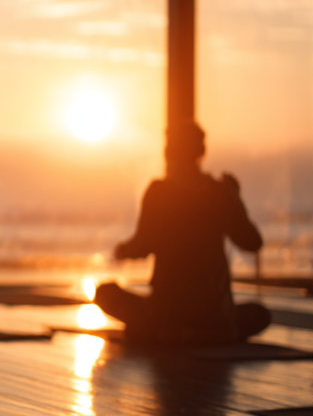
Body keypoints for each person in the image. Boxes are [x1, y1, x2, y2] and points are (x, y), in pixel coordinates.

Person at [94, 120, 271, 345]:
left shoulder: (159, 192)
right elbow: (253, 242)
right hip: (215, 317)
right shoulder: (219, 193)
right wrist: (235, 201)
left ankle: (171, 331)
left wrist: (121, 250)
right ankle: (208, 333)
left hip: (166, 313)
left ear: (169, 151)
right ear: (202, 152)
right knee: (260, 314)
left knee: (105, 293)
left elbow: (141, 246)